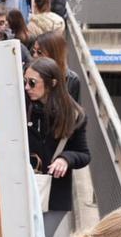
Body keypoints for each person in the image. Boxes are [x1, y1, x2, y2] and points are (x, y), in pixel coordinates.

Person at [24, 57, 90, 212]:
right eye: (24, 81)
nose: (26, 87)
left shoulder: (73, 115)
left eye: (32, 82)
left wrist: (66, 159)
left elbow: (84, 154)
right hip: (21, 188)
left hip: (54, 195)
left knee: (46, 236)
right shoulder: (22, 106)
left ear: (52, 83)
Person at [30, 30, 80, 101]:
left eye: (39, 52)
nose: (34, 55)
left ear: (53, 53)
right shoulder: (30, 73)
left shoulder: (71, 79)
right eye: (33, 51)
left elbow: (70, 109)